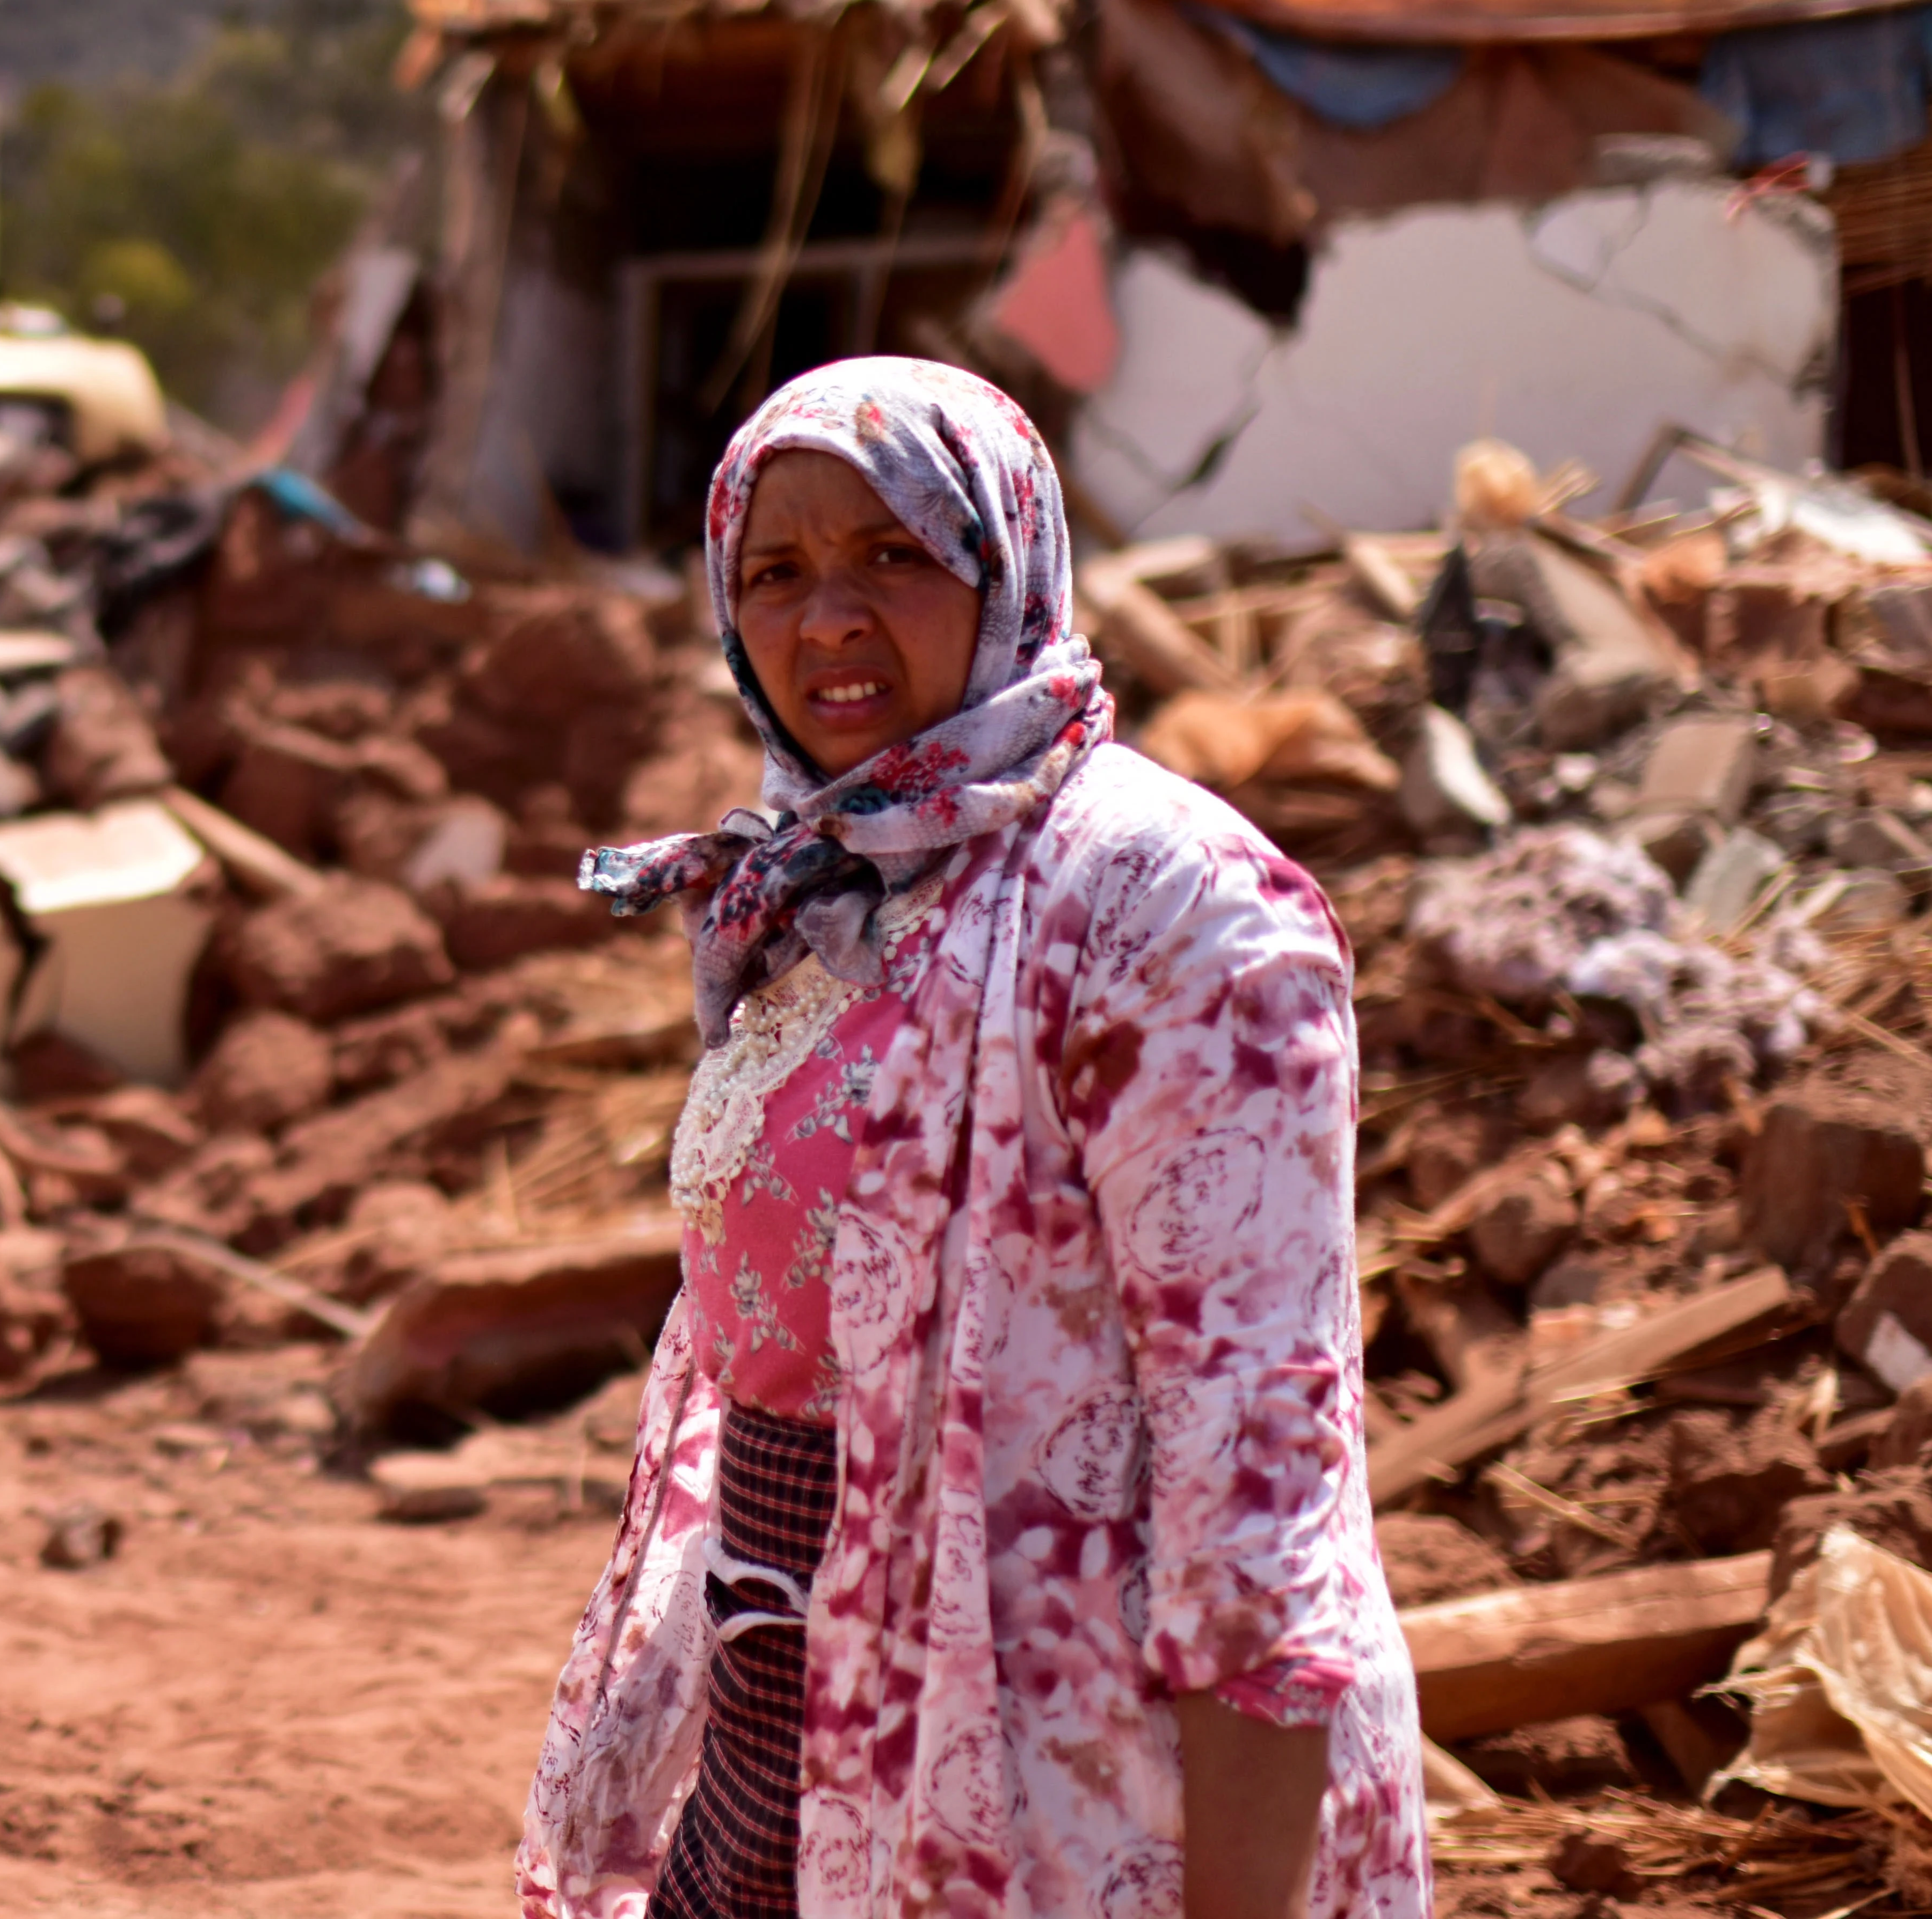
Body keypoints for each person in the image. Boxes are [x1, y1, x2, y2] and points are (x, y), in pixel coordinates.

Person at [520, 359, 1426, 1919]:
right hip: (781, 1741)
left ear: (1005, 560)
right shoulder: (828, 884)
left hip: (1056, 1798)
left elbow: (1258, 1484)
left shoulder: (1167, 908)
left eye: (892, 552)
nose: (825, 621)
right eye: (775, 571)